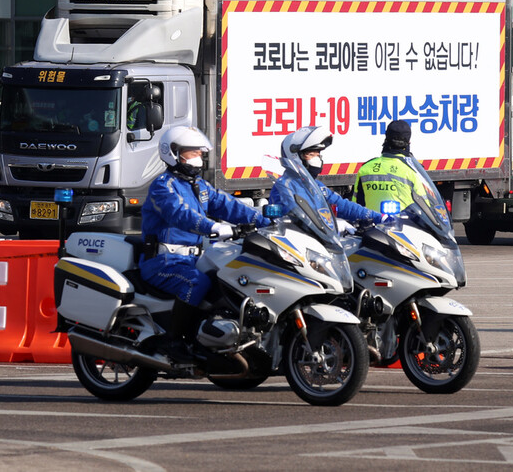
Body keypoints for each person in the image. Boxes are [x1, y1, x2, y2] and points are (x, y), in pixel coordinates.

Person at [139, 126, 270, 361]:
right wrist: (213, 227)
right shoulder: (163, 186)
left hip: (193, 258)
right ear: (173, 153)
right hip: (164, 261)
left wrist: (264, 220)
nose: (198, 157)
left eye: (199, 152)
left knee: (228, 279)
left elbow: (227, 204)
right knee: (195, 283)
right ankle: (174, 342)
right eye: (192, 153)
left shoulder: (199, 186)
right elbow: (180, 213)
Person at [270, 126, 384, 228]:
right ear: (295, 156)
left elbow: (343, 206)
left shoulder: (317, 186)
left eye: (318, 155)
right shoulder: (284, 186)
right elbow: (297, 216)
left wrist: (379, 217)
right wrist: (330, 222)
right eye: (311, 154)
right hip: (297, 246)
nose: (317, 159)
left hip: (323, 243)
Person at [353, 120, 426, 212]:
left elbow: (356, 205)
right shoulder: (413, 171)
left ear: (386, 139)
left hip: (371, 224)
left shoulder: (365, 168)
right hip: (405, 225)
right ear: (409, 142)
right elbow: (425, 207)